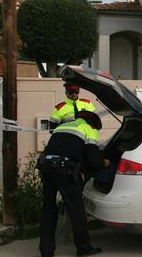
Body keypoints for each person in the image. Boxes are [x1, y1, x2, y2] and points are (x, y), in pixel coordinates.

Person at [39, 110, 110, 257]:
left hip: (46, 166)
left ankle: (46, 251)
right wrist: (104, 162)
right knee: (75, 209)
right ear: (95, 124)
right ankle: (84, 249)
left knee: (48, 208)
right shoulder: (90, 129)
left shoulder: (61, 127)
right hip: (64, 169)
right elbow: (93, 160)